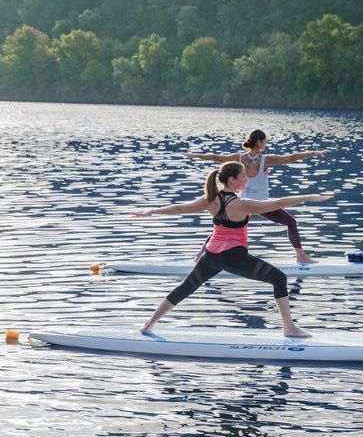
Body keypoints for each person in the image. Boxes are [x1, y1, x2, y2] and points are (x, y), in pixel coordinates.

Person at [132, 161, 331, 337]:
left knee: (186, 287)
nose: (246, 179)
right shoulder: (241, 204)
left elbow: (178, 209)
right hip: (233, 256)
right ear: (232, 180)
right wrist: (307, 197)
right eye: (243, 176)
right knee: (279, 278)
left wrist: (150, 212)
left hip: (211, 255)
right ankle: (289, 327)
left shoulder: (210, 199)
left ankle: (149, 324)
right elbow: (277, 203)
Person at [185, 129, 327, 263]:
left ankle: (200, 255)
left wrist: (196, 155)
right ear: (259, 142)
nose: (265, 144)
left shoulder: (238, 158)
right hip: (260, 204)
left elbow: (216, 157)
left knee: (223, 226)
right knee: (291, 222)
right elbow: (292, 157)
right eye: (265, 141)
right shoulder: (266, 160)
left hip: (241, 202)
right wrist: (314, 152)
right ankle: (301, 256)